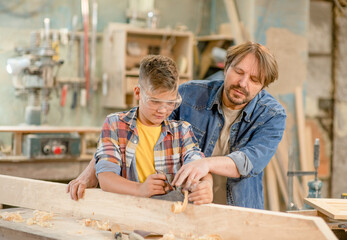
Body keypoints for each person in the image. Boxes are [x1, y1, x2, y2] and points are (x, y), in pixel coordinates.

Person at [68, 42, 286, 209]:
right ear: (226, 67)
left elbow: (250, 161)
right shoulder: (190, 95)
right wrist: (92, 171)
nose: (243, 83)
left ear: (263, 86)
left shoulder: (272, 115)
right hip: (185, 207)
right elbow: (134, 124)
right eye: (239, 72)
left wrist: (205, 167)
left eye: (255, 79)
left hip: (238, 207)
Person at [68, 55, 213, 204]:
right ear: (137, 93)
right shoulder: (116, 124)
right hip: (128, 214)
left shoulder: (182, 132)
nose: (163, 110)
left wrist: (206, 185)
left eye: (171, 103)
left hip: (170, 217)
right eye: (155, 101)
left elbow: (200, 168)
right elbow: (106, 178)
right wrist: (139, 189)